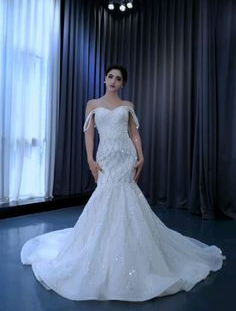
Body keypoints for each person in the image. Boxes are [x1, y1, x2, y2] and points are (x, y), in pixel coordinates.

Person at [21, 64, 225, 302]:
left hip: (125, 156)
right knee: (105, 198)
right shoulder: (92, 104)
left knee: (126, 197)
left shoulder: (128, 106)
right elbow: (88, 134)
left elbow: (133, 132)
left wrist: (141, 155)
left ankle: (133, 250)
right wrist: (90, 160)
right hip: (105, 156)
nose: (113, 81)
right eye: (110, 76)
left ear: (123, 84)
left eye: (118, 78)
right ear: (105, 78)